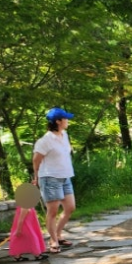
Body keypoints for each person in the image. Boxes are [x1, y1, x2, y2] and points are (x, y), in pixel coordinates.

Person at [32, 107, 77, 254]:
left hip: (65, 177)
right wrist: (36, 177)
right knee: (53, 212)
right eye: (65, 118)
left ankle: (57, 234)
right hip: (50, 178)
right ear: (58, 121)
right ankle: (53, 240)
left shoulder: (64, 135)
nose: (68, 121)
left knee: (70, 208)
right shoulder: (45, 141)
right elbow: (36, 160)